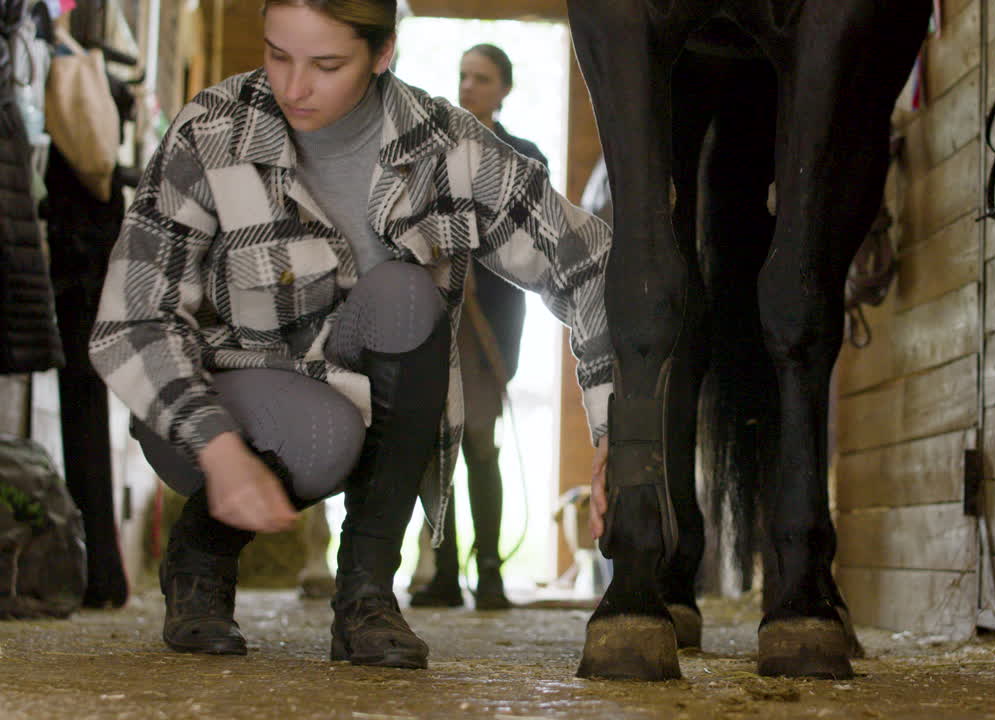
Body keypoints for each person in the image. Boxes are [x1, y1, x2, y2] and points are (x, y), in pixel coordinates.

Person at [89, 0, 612, 670]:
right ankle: (201, 552)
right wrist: (219, 450)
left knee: (406, 293)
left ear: (383, 53)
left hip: (359, 410)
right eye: (277, 55)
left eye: (326, 65)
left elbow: (592, 265)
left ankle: (367, 593)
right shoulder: (213, 129)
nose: (293, 87)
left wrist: (614, 431)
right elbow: (132, 317)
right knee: (324, 431)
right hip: (209, 414)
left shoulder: (447, 147)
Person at [409, 43, 545, 612]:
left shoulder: (524, 157)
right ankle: (444, 571)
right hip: (436, 312)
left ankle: (489, 572)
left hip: (490, 315)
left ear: (504, 88)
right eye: (463, 76)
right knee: (434, 444)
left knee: (481, 445)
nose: (468, 86)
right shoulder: (433, 151)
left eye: (481, 78)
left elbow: (530, 234)